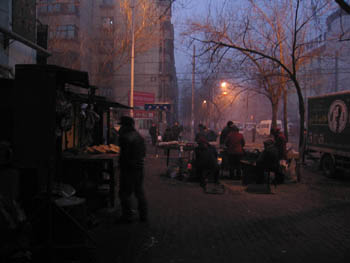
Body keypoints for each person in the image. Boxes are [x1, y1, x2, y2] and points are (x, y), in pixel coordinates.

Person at [117, 116, 148, 223]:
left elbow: (124, 156)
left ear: (125, 126)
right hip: (139, 168)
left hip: (128, 169)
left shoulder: (125, 137)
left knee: (124, 193)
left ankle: (127, 215)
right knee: (139, 192)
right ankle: (143, 215)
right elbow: (143, 153)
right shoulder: (139, 136)